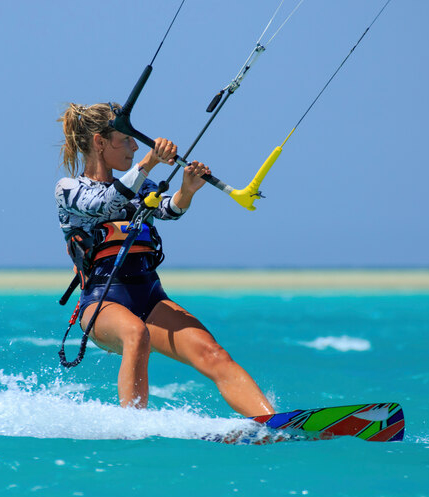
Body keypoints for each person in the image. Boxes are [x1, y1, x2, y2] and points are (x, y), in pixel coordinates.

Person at [55, 102, 274, 417]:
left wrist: (188, 189)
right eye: (126, 139)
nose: (134, 145)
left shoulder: (141, 185)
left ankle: (272, 422)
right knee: (135, 333)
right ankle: (133, 426)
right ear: (99, 143)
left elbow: (168, 210)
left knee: (213, 354)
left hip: (150, 295)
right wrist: (149, 160)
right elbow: (103, 203)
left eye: (134, 140)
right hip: (101, 302)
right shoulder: (69, 188)